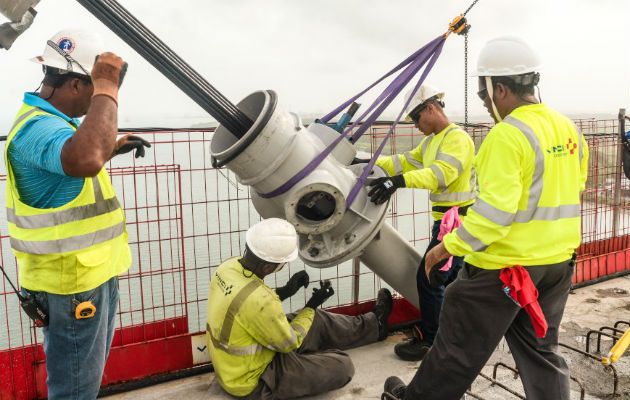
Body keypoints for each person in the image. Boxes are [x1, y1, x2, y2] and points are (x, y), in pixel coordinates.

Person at [382, 36, 589, 400]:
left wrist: (443, 249)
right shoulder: (569, 128)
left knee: (455, 351)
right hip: (557, 265)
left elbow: (493, 216)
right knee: (542, 352)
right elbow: (576, 186)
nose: (485, 103)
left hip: (501, 270)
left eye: (484, 95)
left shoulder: (507, 135)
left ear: (501, 88)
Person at [5, 30, 150, 399]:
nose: (97, 101)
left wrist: (110, 149)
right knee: (75, 390)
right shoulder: (37, 127)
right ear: (74, 84)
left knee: (85, 380)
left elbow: (74, 163)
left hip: (89, 273)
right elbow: (84, 159)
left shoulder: (58, 124)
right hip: (70, 284)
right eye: (92, 91)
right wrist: (107, 87)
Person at [206, 218, 393, 399]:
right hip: (251, 381)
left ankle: (375, 326)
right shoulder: (261, 300)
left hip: (235, 365)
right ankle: (316, 357)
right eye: (281, 264)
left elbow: (244, 303)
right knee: (343, 366)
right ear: (266, 268)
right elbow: (289, 343)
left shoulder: (227, 268)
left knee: (316, 319)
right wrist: (311, 305)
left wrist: (286, 291)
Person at [366, 84, 476, 361]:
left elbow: (441, 175)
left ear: (431, 107)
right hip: (445, 223)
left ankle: (432, 342)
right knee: (444, 280)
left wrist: (398, 183)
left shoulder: (457, 139)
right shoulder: (431, 142)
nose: (415, 125)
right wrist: (367, 163)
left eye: (416, 117)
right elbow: (403, 161)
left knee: (429, 278)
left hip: (457, 223)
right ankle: (450, 334)